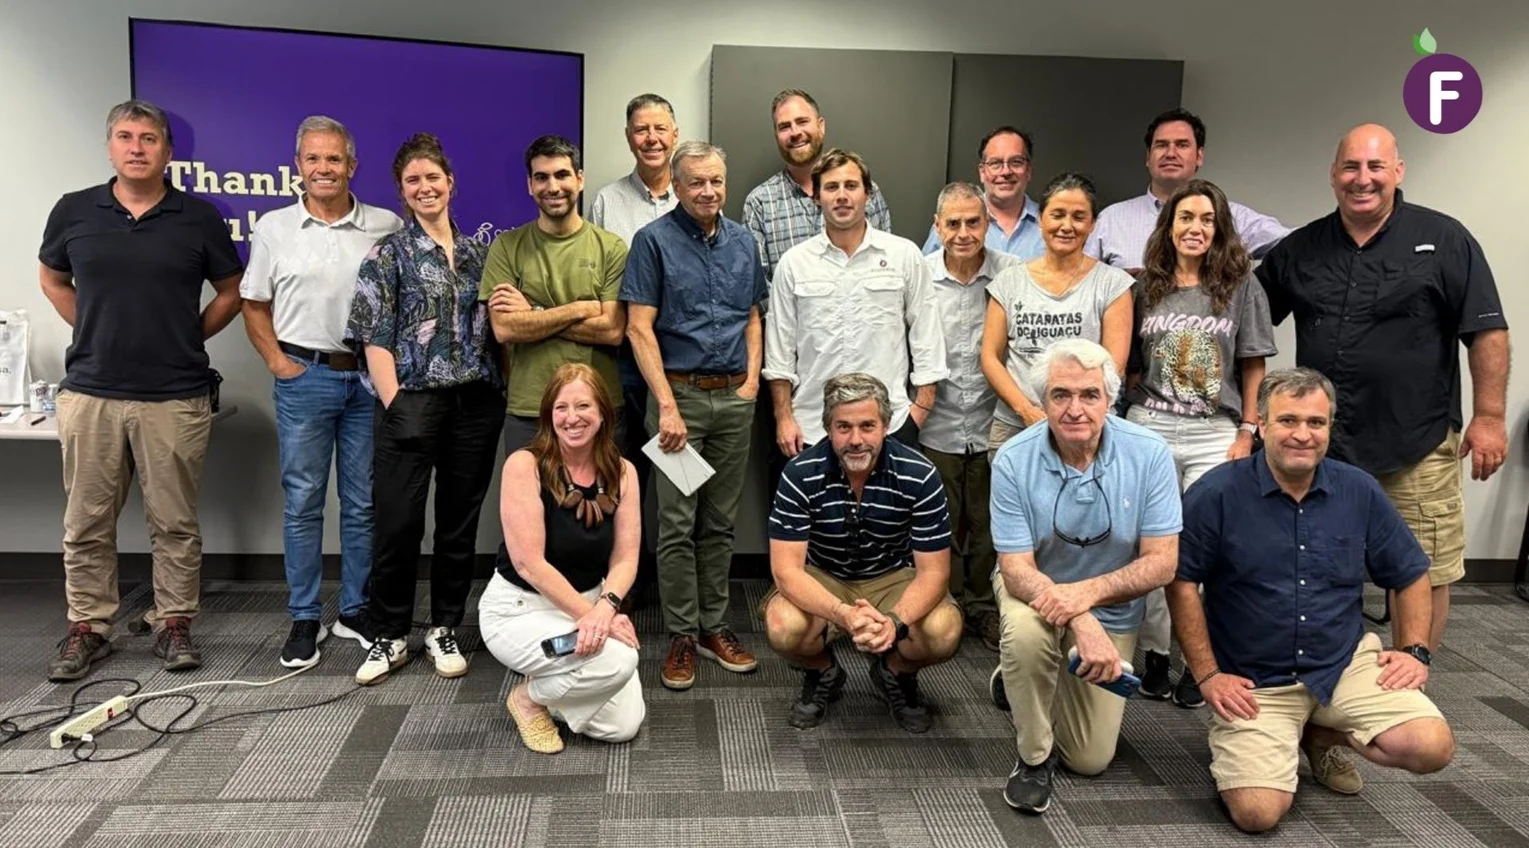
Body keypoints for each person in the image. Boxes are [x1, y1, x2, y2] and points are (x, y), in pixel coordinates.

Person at [1256, 123, 1510, 653]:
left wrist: (1489, 417)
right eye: (1351, 166)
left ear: (1398, 171)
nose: (1363, 178)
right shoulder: (1301, 248)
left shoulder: (1445, 239)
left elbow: (1487, 330)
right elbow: (1246, 325)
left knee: (1422, 569)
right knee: (1317, 565)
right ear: (1333, 174)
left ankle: (1410, 676)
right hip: (1323, 447)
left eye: (1375, 166)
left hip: (1415, 443)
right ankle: (1325, 674)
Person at [1169, 368, 1454, 833]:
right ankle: (1283, 738)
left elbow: (1410, 572)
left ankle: (1320, 733)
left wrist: (1414, 650)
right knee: (1257, 814)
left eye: (1316, 423)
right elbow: (1181, 583)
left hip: (1341, 666)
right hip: (1256, 681)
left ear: (1329, 427)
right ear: (1262, 424)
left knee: (1431, 747)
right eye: (1288, 420)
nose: (1303, 435)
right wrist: (1207, 675)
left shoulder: (1358, 490)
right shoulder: (1216, 493)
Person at [39, 100, 243, 681]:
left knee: (174, 521)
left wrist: (187, 335)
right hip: (92, 391)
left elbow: (232, 290)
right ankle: (88, 626)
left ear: (168, 151)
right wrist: (90, 326)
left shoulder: (198, 217)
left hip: (174, 393)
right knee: (86, 521)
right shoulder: (74, 210)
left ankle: (173, 621)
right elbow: (52, 278)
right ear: (110, 147)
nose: (136, 148)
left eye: (149, 139)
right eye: (125, 137)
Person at [989, 338, 1181, 815]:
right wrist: (1079, 617)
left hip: (1112, 606)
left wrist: (1086, 600)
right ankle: (1033, 757)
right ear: (1042, 399)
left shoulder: (1150, 453)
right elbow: (1016, 568)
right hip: (1034, 589)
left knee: (1089, 759)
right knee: (1026, 636)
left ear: (1110, 399)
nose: (1075, 409)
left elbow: (1162, 563)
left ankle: (1019, 678)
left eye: (1089, 395)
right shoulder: (1013, 459)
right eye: (1060, 395)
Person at [241, 116, 404, 668]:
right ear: (298, 166)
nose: (324, 168)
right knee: (304, 501)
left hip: (367, 379)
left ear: (351, 165)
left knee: (362, 503)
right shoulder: (274, 228)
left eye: (334, 158)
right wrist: (277, 363)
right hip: (304, 377)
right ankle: (305, 616)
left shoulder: (384, 225)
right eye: (313, 158)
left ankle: (355, 610)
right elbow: (254, 304)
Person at [345, 133, 504, 685]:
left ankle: (443, 627)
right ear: (402, 190)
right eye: (413, 180)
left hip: (474, 403)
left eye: (432, 177)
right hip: (411, 401)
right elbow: (373, 336)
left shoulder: (481, 253)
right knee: (398, 523)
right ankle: (389, 633)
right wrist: (396, 403)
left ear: (450, 183)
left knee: (458, 524)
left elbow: (496, 328)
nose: (424, 187)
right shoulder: (387, 254)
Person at [1122, 179, 1277, 707]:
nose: (1195, 228)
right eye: (1185, 217)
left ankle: (1197, 661)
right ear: (1169, 226)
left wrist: (1248, 430)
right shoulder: (1146, 287)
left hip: (1216, 432)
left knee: (1209, 548)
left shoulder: (1240, 285)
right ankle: (1156, 655)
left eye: (1207, 219)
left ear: (1220, 228)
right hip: (1151, 427)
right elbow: (1130, 364)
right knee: (1154, 547)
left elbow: (1253, 364)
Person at [622, 141, 766, 690]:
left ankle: (714, 627)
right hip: (677, 402)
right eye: (697, 182)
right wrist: (666, 405)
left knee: (720, 522)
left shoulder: (743, 242)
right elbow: (639, 328)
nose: (708, 191)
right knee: (678, 524)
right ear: (677, 187)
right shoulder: (653, 241)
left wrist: (752, 382)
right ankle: (682, 633)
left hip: (733, 401)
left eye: (716, 181)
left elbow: (752, 316)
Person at [763, 373, 963, 733]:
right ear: (828, 428)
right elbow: (786, 571)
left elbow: (934, 573)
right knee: (782, 625)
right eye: (844, 427)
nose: (856, 440)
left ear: (886, 426)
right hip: (824, 576)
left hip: (894, 577)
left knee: (943, 631)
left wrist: (895, 622)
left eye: (867, 426)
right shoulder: (799, 473)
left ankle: (895, 672)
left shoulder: (920, 474)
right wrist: (842, 613)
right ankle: (823, 671)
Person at [480, 363, 646, 753]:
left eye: (583, 406)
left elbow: (626, 558)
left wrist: (605, 607)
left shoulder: (623, 472)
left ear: (603, 414)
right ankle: (528, 700)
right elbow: (529, 564)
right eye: (561, 408)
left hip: (590, 603)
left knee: (623, 725)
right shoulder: (524, 465)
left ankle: (552, 683)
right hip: (520, 610)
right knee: (619, 660)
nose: (572, 418)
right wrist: (596, 619)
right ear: (548, 416)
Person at [763, 148, 947, 455]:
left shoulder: (903, 256)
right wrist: (783, 417)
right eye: (831, 187)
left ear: (868, 194)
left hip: (890, 427)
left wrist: (917, 415)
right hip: (811, 429)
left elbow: (927, 339)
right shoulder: (794, 264)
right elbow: (779, 352)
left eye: (851, 186)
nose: (842, 196)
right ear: (816, 197)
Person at [920, 182, 1022, 651]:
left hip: (994, 421)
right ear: (937, 226)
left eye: (973, 222)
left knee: (988, 523)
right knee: (938, 520)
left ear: (988, 224)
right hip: (935, 422)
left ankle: (982, 606)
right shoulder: (919, 275)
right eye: (953, 223)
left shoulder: (1012, 274)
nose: (963, 233)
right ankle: (940, 602)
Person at [481, 135, 627, 454]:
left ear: (580, 179)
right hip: (530, 408)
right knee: (526, 490)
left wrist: (533, 314)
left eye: (562, 175)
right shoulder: (506, 247)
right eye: (542, 177)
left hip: (599, 407)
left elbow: (612, 330)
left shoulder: (611, 248)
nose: (553, 187)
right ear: (530, 185)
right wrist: (581, 308)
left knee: (603, 490)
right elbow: (505, 328)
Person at [587, 95, 681, 588]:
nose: (651, 138)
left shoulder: (694, 193)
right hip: (624, 360)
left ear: (675, 135)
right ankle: (629, 581)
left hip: (681, 359)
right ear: (629, 138)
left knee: (679, 475)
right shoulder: (608, 201)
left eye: (660, 128)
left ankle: (676, 584)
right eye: (642, 130)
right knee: (625, 471)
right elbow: (598, 283)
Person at [981, 173, 1133, 456]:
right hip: (1016, 425)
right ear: (1041, 218)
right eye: (1057, 214)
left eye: (1079, 217)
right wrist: (1027, 411)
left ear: (1093, 224)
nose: (1066, 226)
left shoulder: (1113, 284)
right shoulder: (1008, 282)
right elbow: (990, 357)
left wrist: (1072, 412)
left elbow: (1114, 367)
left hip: (1086, 426)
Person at [1088, 108, 1289, 272]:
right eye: (1161, 145)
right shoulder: (1111, 220)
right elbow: (1080, 283)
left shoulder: (1232, 217)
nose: (1170, 153)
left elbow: (1297, 243)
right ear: (1148, 157)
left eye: (1182, 145)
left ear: (1199, 156)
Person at [742, 89, 893, 281]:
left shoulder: (864, 192)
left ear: (821, 126)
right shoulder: (760, 203)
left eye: (802, 121)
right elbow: (759, 285)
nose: (795, 132)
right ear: (776, 136)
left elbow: (886, 264)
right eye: (785, 126)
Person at [921, 127, 1044, 259]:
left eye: (1016, 162)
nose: (1006, 172)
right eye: (995, 163)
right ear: (982, 172)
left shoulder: (1051, 224)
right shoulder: (949, 223)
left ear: (1028, 170)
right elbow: (925, 269)